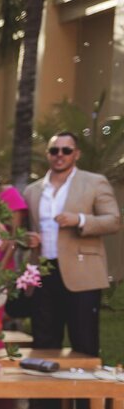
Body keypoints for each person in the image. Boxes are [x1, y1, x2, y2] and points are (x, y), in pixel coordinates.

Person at [23, 131, 121, 373]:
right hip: (44, 272)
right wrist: (26, 240)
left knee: (84, 343)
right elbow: (22, 232)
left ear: (76, 154)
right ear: (48, 154)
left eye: (66, 150)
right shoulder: (33, 190)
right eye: (54, 150)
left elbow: (113, 221)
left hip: (82, 274)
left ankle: (86, 408)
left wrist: (79, 219)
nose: (60, 155)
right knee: (44, 343)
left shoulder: (94, 182)